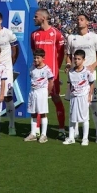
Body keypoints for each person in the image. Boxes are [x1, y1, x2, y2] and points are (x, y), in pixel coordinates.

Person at [65, 13, 97, 143]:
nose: (79, 21)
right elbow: (68, 55)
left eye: (82, 19)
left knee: (93, 105)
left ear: (87, 22)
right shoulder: (71, 38)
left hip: (89, 77)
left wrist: (93, 66)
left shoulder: (94, 37)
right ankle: (75, 132)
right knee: (74, 104)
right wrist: (67, 64)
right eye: (77, 19)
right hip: (75, 77)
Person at [31, 8, 67, 137]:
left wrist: (55, 68)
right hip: (38, 73)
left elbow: (61, 53)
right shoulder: (34, 35)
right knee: (38, 100)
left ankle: (62, 129)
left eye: (36, 16)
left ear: (43, 18)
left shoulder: (56, 33)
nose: (34, 18)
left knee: (55, 98)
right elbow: (34, 52)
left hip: (52, 73)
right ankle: (36, 130)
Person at [64, 49, 96, 146]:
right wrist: (68, 95)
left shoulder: (87, 72)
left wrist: (90, 95)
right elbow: (69, 84)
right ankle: (71, 137)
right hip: (74, 97)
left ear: (83, 60)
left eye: (79, 59)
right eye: (75, 59)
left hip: (83, 97)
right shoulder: (71, 72)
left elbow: (91, 84)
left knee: (84, 118)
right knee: (72, 118)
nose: (76, 61)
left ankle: (85, 139)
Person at [25, 48, 54, 143]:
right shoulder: (32, 68)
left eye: (38, 58)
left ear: (43, 58)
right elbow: (31, 77)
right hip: (33, 92)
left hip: (42, 92)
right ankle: (33, 134)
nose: (36, 60)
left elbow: (51, 82)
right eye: (34, 58)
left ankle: (43, 134)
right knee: (33, 113)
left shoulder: (47, 69)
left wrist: (47, 93)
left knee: (42, 113)